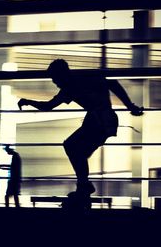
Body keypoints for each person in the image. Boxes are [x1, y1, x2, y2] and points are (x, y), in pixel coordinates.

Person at [18, 59, 143, 198]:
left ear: (62, 74)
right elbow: (113, 84)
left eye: (55, 78)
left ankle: (83, 185)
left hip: (98, 121)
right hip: (103, 119)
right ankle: (83, 185)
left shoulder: (70, 87)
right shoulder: (79, 81)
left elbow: (48, 106)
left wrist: (28, 102)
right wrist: (129, 105)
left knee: (72, 147)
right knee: (76, 150)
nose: (54, 82)